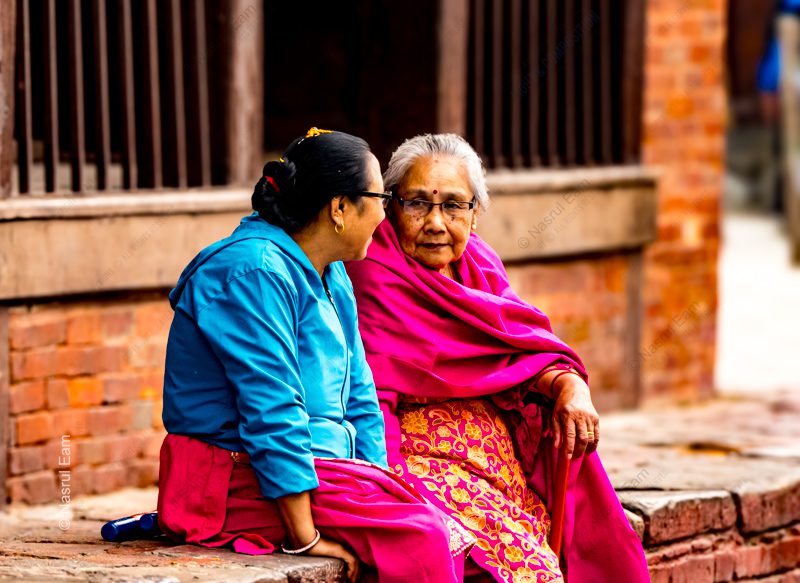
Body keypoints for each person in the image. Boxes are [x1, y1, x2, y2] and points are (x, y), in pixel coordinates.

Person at [157, 128, 474, 583]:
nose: (387, 215)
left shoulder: (333, 271)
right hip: (230, 480)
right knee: (420, 535)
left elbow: (361, 394)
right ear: (340, 208)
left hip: (324, 469)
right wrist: (305, 537)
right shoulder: (252, 273)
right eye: (380, 198)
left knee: (439, 511)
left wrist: (381, 483)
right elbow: (272, 410)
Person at [345, 134, 651, 582]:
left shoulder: (479, 262)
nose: (435, 223)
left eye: (452, 206)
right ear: (390, 205)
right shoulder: (370, 269)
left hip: (497, 457)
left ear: (474, 213)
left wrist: (569, 386)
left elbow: (520, 348)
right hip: (411, 454)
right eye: (417, 204)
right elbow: (370, 392)